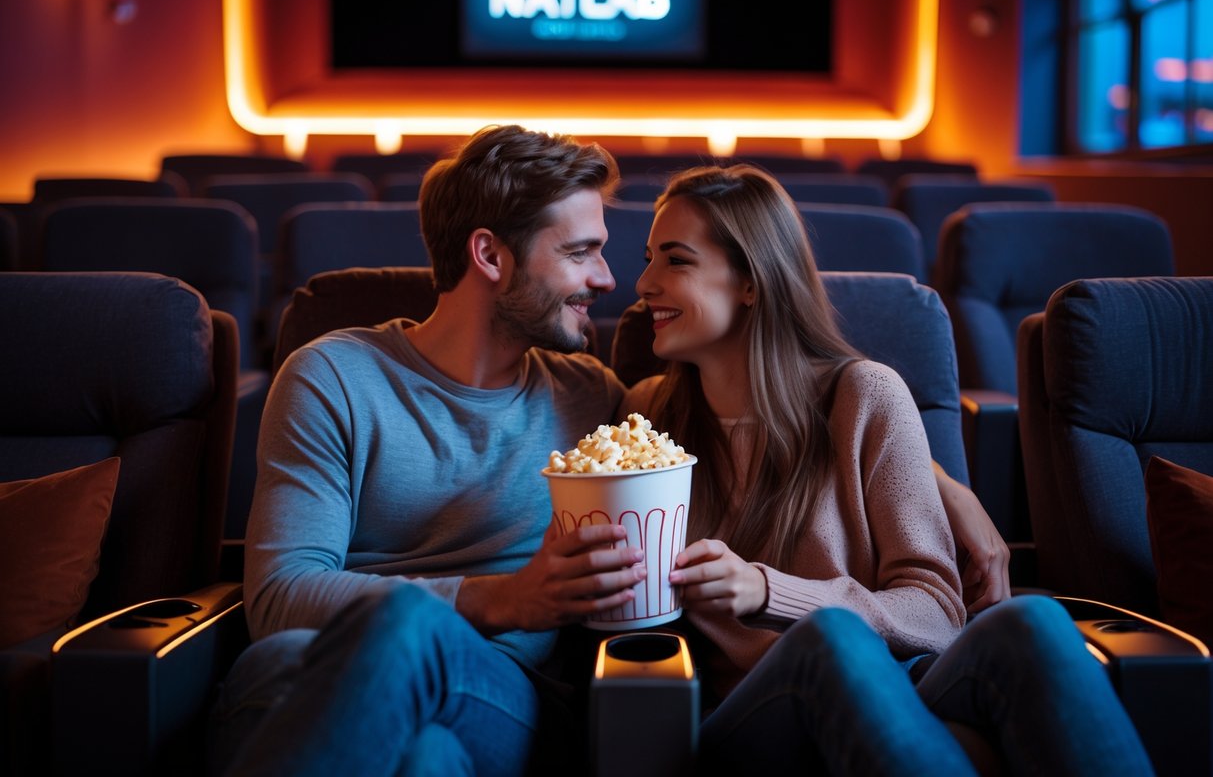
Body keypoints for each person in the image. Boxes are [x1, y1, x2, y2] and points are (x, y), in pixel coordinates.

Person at [623, 164, 1155, 775]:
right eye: (647, 259)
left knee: (1031, 620)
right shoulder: (641, 419)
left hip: (899, 682)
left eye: (675, 261)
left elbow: (935, 614)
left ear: (751, 282)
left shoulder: (867, 396)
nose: (642, 283)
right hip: (748, 708)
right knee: (832, 638)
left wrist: (769, 591)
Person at [207, 124, 646, 776]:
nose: (607, 279)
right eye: (581, 253)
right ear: (490, 257)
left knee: (403, 637)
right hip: (312, 664)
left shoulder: (594, 400)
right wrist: (493, 598)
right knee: (427, 757)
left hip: (497, 693)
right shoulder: (332, 377)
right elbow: (278, 598)